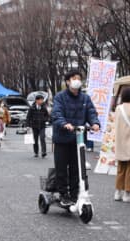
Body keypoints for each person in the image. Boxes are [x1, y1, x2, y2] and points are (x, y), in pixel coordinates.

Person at [52, 70, 100, 206]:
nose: (76, 81)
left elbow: (91, 112)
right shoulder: (60, 97)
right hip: (62, 139)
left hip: (78, 139)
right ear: (67, 81)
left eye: (79, 78)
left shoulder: (85, 98)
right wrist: (64, 123)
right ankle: (63, 195)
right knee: (61, 168)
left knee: (77, 169)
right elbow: (56, 113)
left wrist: (95, 123)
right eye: (74, 78)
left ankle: (74, 195)